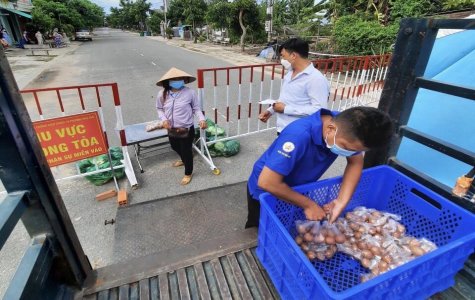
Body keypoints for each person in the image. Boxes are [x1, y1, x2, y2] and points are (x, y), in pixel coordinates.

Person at [246, 106, 393, 228]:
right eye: (345, 147)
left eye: (354, 150)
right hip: (266, 191)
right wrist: (308, 204)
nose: (349, 153)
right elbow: (267, 182)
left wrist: (341, 202)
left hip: (298, 188)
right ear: (330, 129)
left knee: (290, 223)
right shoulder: (298, 136)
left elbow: (355, 162)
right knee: (262, 227)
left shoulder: (345, 126)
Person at [259, 38, 330, 134]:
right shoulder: (290, 73)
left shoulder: (316, 79)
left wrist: (285, 109)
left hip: (299, 132)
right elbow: (286, 98)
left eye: (283, 57)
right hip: (283, 128)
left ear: (293, 55)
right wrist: (271, 110)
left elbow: (319, 110)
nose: (282, 60)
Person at [156, 67, 208, 185]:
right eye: (174, 79)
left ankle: (188, 173)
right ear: (168, 81)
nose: (178, 81)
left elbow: (196, 108)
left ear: (184, 80)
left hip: (186, 128)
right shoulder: (162, 94)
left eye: (180, 78)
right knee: (174, 147)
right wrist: (164, 120)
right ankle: (185, 159)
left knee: (186, 150)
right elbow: (159, 109)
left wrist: (201, 119)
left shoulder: (190, 93)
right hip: (171, 128)